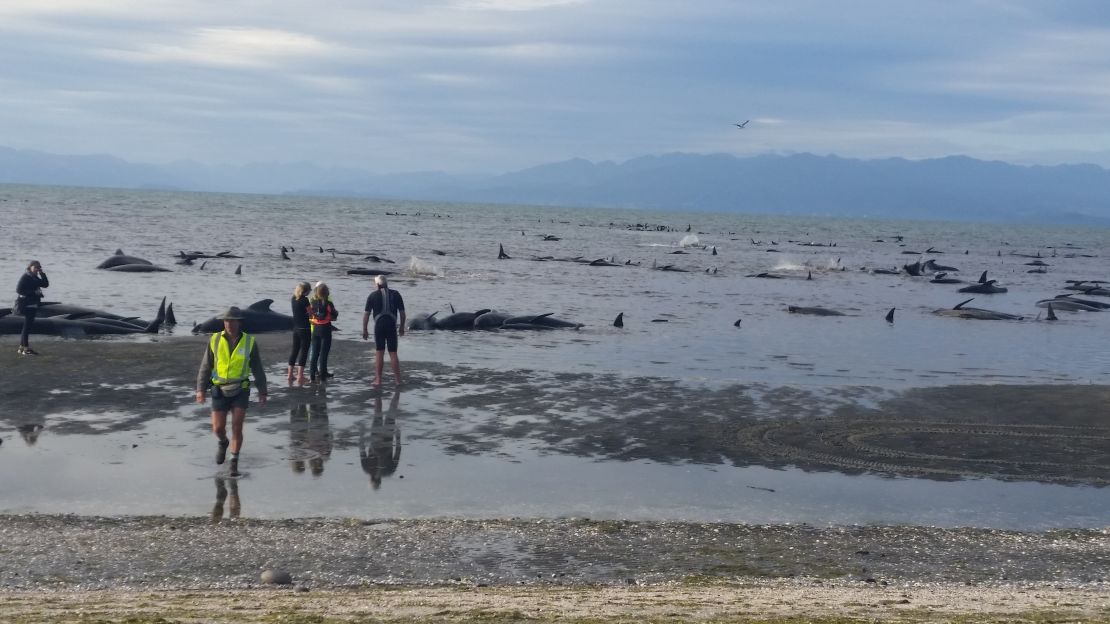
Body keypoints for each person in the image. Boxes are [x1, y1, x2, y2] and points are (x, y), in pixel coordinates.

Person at [196, 306, 268, 476]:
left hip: (240, 389)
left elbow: (257, 368)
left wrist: (262, 390)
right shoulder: (214, 340)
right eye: (227, 320)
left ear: (239, 322)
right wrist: (200, 389)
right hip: (219, 389)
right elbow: (206, 366)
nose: (229, 324)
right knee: (218, 428)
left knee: (237, 426)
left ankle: (234, 462)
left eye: (233, 321)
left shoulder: (249, 342)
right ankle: (223, 442)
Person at [361, 274, 406, 386]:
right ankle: (398, 380)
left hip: (379, 325)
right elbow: (402, 313)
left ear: (377, 284)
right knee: (393, 353)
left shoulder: (372, 295)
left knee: (379, 352)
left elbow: (366, 315)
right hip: (391, 325)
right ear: (386, 284)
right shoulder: (396, 294)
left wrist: (365, 330)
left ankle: (378, 379)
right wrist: (401, 327)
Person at [14, 260, 49, 355]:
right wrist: (33, 293)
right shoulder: (26, 276)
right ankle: (26, 348)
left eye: (38, 267)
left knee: (27, 326)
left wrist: (42, 273)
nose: (37, 269)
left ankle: (21, 348)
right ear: (30, 267)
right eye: (35, 267)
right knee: (27, 327)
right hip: (26, 304)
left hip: (33, 304)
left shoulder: (35, 277)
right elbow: (18, 290)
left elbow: (45, 284)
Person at [307, 282, 338, 383]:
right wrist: (333, 315)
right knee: (324, 353)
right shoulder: (329, 304)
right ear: (326, 292)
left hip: (315, 328)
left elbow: (309, 315)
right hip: (325, 328)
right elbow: (334, 315)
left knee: (315, 353)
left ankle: (312, 376)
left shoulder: (312, 303)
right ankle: (322, 375)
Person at [287, 281, 312, 385]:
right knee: (304, 351)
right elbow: (311, 313)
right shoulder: (305, 300)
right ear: (305, 291)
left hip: (296, 328)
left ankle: (290, 375)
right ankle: (300, 376)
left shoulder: (293, 298)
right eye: (309, 290)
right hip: (305, 328)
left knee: (294, 350)